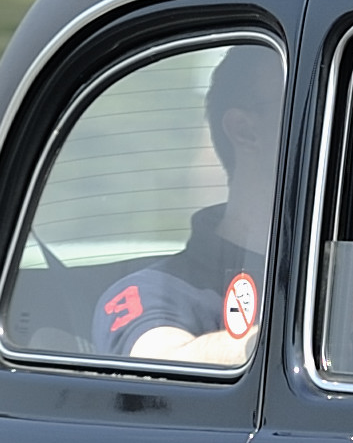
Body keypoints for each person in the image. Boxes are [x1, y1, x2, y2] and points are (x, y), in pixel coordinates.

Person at [96, 43, 285, 366]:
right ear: (245, 131)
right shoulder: (156, 291)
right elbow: (161, 365)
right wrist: (315, 323)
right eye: (309, 105)